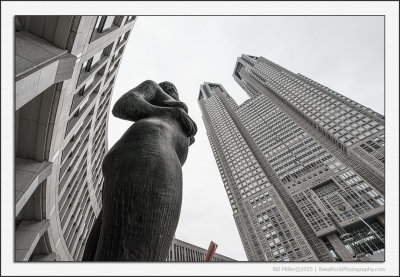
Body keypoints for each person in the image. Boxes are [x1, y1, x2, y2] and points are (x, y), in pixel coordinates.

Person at [82, 80, 196, 261]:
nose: (173, 87)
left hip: (145, 160)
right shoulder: (156, 90)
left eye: (175, 87)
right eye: (169, 85)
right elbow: (124, 104)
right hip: (150, 158)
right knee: (136, 255)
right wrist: (169, 112)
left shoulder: (179, 117)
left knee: (104, 253)